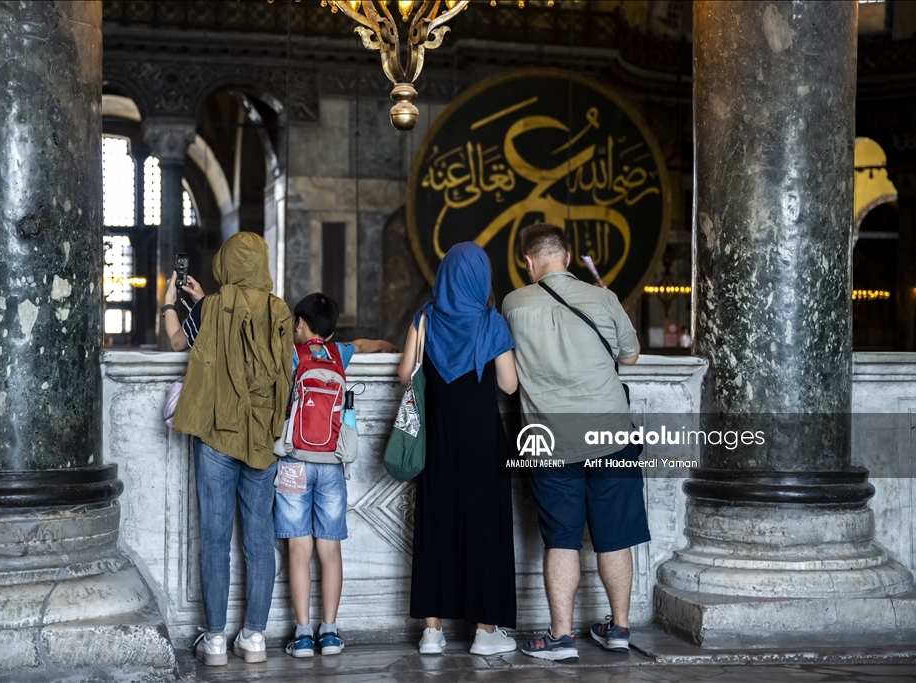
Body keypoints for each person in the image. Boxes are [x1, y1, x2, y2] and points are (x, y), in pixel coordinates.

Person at [501, 222, 650, 660]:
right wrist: (607, 298)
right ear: (567, 258)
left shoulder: (513, 303)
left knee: (561, 539)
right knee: (615, 535)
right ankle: (619, 629)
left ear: (529, 262)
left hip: (550, 441)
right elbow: (630, 355)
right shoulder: (603, 298)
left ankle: (561, 637)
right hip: (612, 436)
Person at [163, 232, 294, 667]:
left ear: (226, 263)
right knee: (259, 540)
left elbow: (179, 343)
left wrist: (172, 302)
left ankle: (215, 640)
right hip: (263, 436)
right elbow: (286, 370)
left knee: (215, 540)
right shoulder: (279, 310)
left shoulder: (212, 306)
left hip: (219, 432)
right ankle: (255, 637)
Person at [397, 241, 520, 656]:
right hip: (484, 445)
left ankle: (432, 632)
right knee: (486, 530)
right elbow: (508, 384)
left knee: (435, 526)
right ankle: (486, 633)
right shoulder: (491, 322)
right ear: (481, 278)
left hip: (438, 443)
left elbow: (404, 373)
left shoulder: (425, 318)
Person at [278, 293, 397, 658]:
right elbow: (367, 344)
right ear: (330, 331)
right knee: (330, 550)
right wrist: (389, 345)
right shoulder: (339, 353)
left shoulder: (291, 354)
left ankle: (301, 635)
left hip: (294, 463)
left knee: (299, 549)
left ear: (299, 323)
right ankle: (329, 633)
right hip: (332, 463)